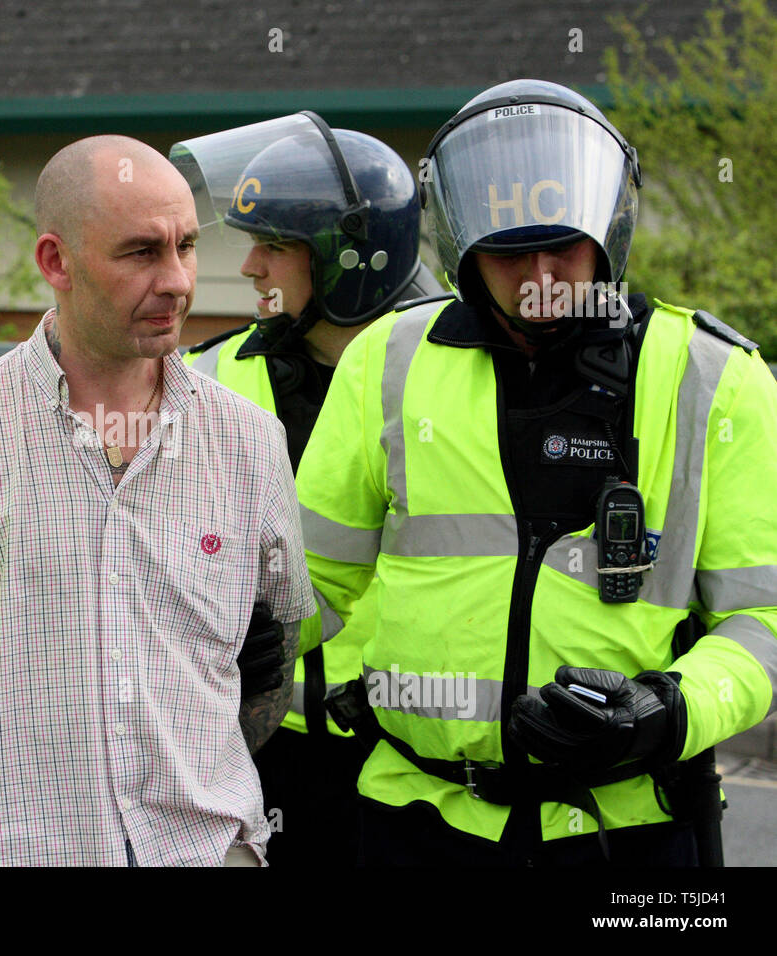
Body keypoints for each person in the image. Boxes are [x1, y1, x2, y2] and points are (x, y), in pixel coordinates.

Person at [297, 78, 777, 865]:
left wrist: (667, 711)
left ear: (609, 228)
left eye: (564, 243)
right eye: (514, 251)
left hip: (628, 828)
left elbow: (763, 622)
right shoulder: (386, 360)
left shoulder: (714, 377)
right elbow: (310, 577)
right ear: (463, 245)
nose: (543, 273)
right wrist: (240, 630)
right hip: (415, 816)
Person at [0, 135, 316, 866]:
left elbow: (267, 681)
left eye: (187, 246)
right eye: (141, 252)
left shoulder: (249, 443)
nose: (178, 280)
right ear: (55, 261)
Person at [172, 112, 444, 866]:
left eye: (275, 245)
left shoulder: (452, 382)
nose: (250, 266)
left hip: (410, 751)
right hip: (256, 742)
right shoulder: (208, 377)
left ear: (347, 259)